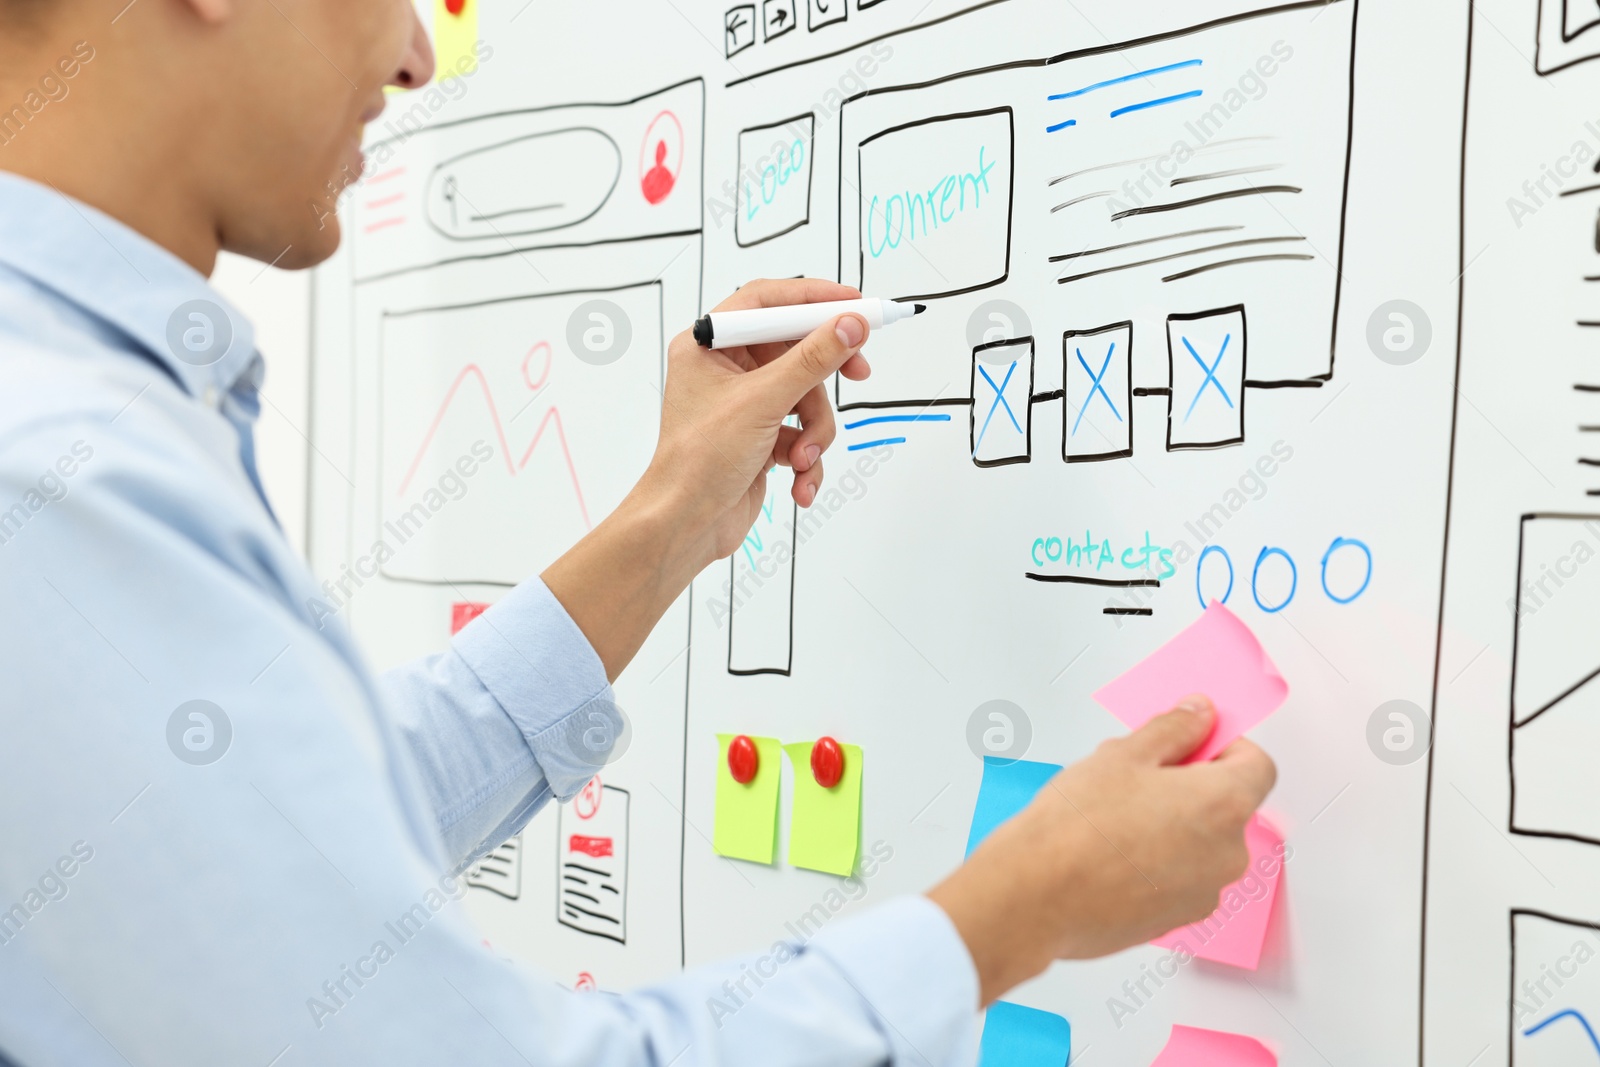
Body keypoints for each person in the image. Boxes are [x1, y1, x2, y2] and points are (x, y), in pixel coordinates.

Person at [0, 0, 1277, 1063]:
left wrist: (671, 517)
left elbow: (278, 827)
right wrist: (1017, 908)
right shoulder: (63, 471)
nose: (415, 54)